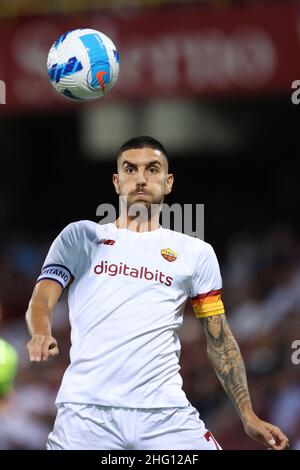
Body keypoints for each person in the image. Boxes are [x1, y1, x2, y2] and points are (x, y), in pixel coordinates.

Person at [26, 136, 289, 450]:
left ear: (168, 182)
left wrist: (247, 414)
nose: (140, 178)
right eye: (130, 169)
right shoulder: (82, 236)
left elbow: (219, 339)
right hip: (87, 415)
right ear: (116, 181)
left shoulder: (195, 253)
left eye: (152, 169)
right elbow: (42, 298)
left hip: (166, 416)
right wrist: (40, 332)